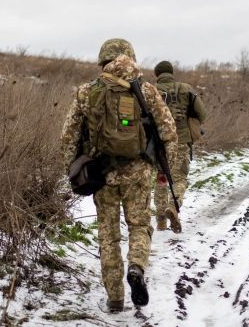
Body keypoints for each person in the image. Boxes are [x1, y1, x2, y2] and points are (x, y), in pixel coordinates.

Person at [59, 39, 178, 312]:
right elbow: (169, 133)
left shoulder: (86, 92)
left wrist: (73, 172)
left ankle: (114, 297)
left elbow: (67, 139)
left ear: (103, 61)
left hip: (102, 174)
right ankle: (136, 267)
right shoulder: (147, 91)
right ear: (131, 58)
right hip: (138, 173)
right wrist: (163, 169)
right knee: (139, 225)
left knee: (108, 234)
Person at [152, 60, 208, 233]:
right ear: (171, 72)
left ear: (157, 74)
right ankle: (173, 206)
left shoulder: (150, 90)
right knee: (179, 178)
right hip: (181, 140)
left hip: (158, 142)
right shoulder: (186, 89)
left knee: (161, 178)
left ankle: (161, 220)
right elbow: (202, 114)